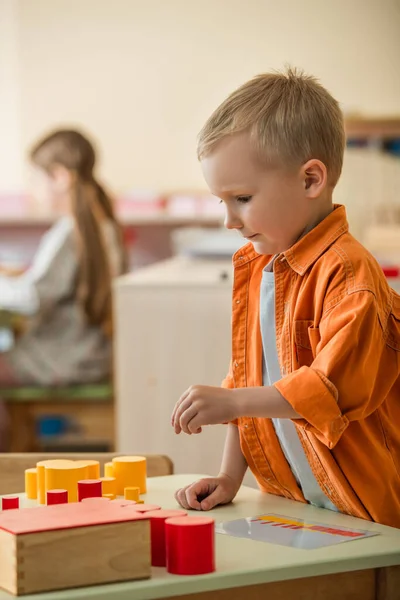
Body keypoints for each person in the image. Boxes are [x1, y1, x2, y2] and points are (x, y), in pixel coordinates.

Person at [171, 68, 400, 528]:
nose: (230, 221)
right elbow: (247, 377)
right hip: (292, 500)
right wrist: (229, 475)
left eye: (242, 197)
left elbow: (330, 389)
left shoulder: (350, 275)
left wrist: (234, 402)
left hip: (364, 511)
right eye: (223, 203)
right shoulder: (262, 266)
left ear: (311, 179)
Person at [0, 129, 127, 388]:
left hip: (59, 358)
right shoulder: (105, 226)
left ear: (59, 177)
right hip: (92, 355)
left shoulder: (68, 233)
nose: (32, 190)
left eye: (35, 180)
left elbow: (32, 298)